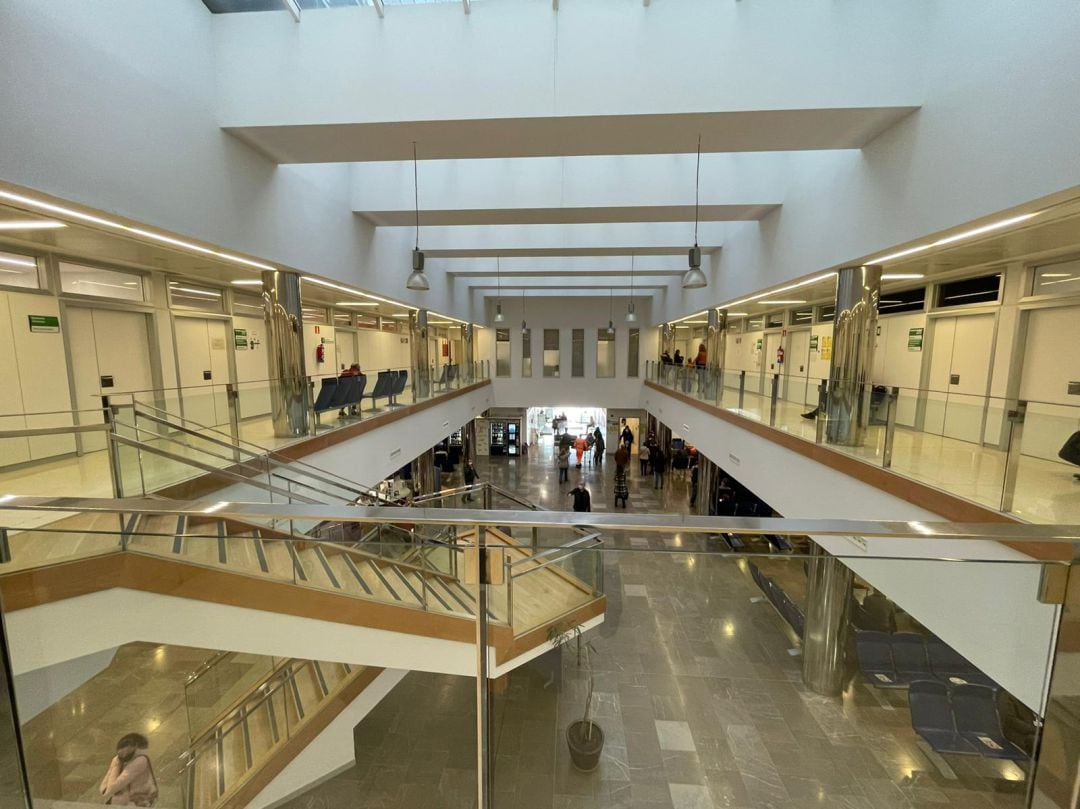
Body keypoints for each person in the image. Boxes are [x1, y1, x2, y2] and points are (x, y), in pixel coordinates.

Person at [100, 733, 158, 806]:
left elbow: (111, 788)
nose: (121, 754)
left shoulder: (140, 761)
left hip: (132, 803)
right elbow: (104, 786)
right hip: (123, 802)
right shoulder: (121, 759)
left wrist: (116, 765)